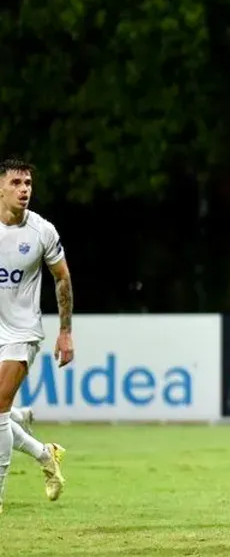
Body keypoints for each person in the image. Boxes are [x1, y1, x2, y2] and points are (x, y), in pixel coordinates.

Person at [0, 159, 72, 514]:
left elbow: (62, 278)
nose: (24, 188)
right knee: (0, 412)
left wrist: (65, 333)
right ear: (1, 188)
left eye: (28, 182)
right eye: (16, 182)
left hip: (22, 332)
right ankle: (46, 454)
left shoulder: (42, 231)